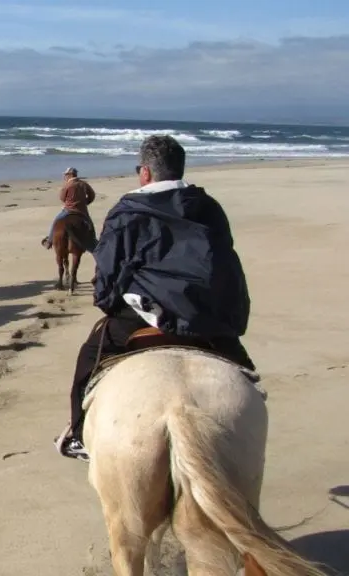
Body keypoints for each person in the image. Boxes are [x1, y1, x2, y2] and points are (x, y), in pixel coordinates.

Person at [56, 135, 256, 462]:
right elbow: (225, 260)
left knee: (88, 358)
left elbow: (108, 269)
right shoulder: (209, 207)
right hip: (207, 317)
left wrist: (107, 302)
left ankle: (78, 436)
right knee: (247, 376)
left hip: (146, 316)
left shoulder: (129, 209)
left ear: (145, 173)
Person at [41, 167, 97, 249]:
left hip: (69, 210)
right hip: (82, 210)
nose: (65, 176)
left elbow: (62, 198)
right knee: (90, 224)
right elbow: (92, 195)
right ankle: (93, 242)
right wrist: (85, 203)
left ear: (70, 175)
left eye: (66, 175)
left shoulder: (67, 185)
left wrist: (69, 203)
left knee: (56, 221)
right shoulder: (84, 184)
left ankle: (49, 241)